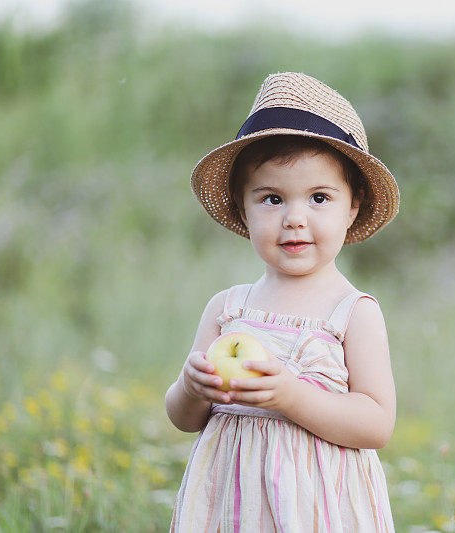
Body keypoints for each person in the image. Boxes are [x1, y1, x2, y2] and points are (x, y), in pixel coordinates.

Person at [165, 71, 400, 532]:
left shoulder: (353, 313)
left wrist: (291, 396)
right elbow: (184, 418)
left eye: (318, 197)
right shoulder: (228, 310)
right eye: (272, 198)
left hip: (319, 509)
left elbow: (376, 424)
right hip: (233, 508)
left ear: (352, 207)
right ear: (241, 207)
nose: (294, 219)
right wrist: (191, 389)